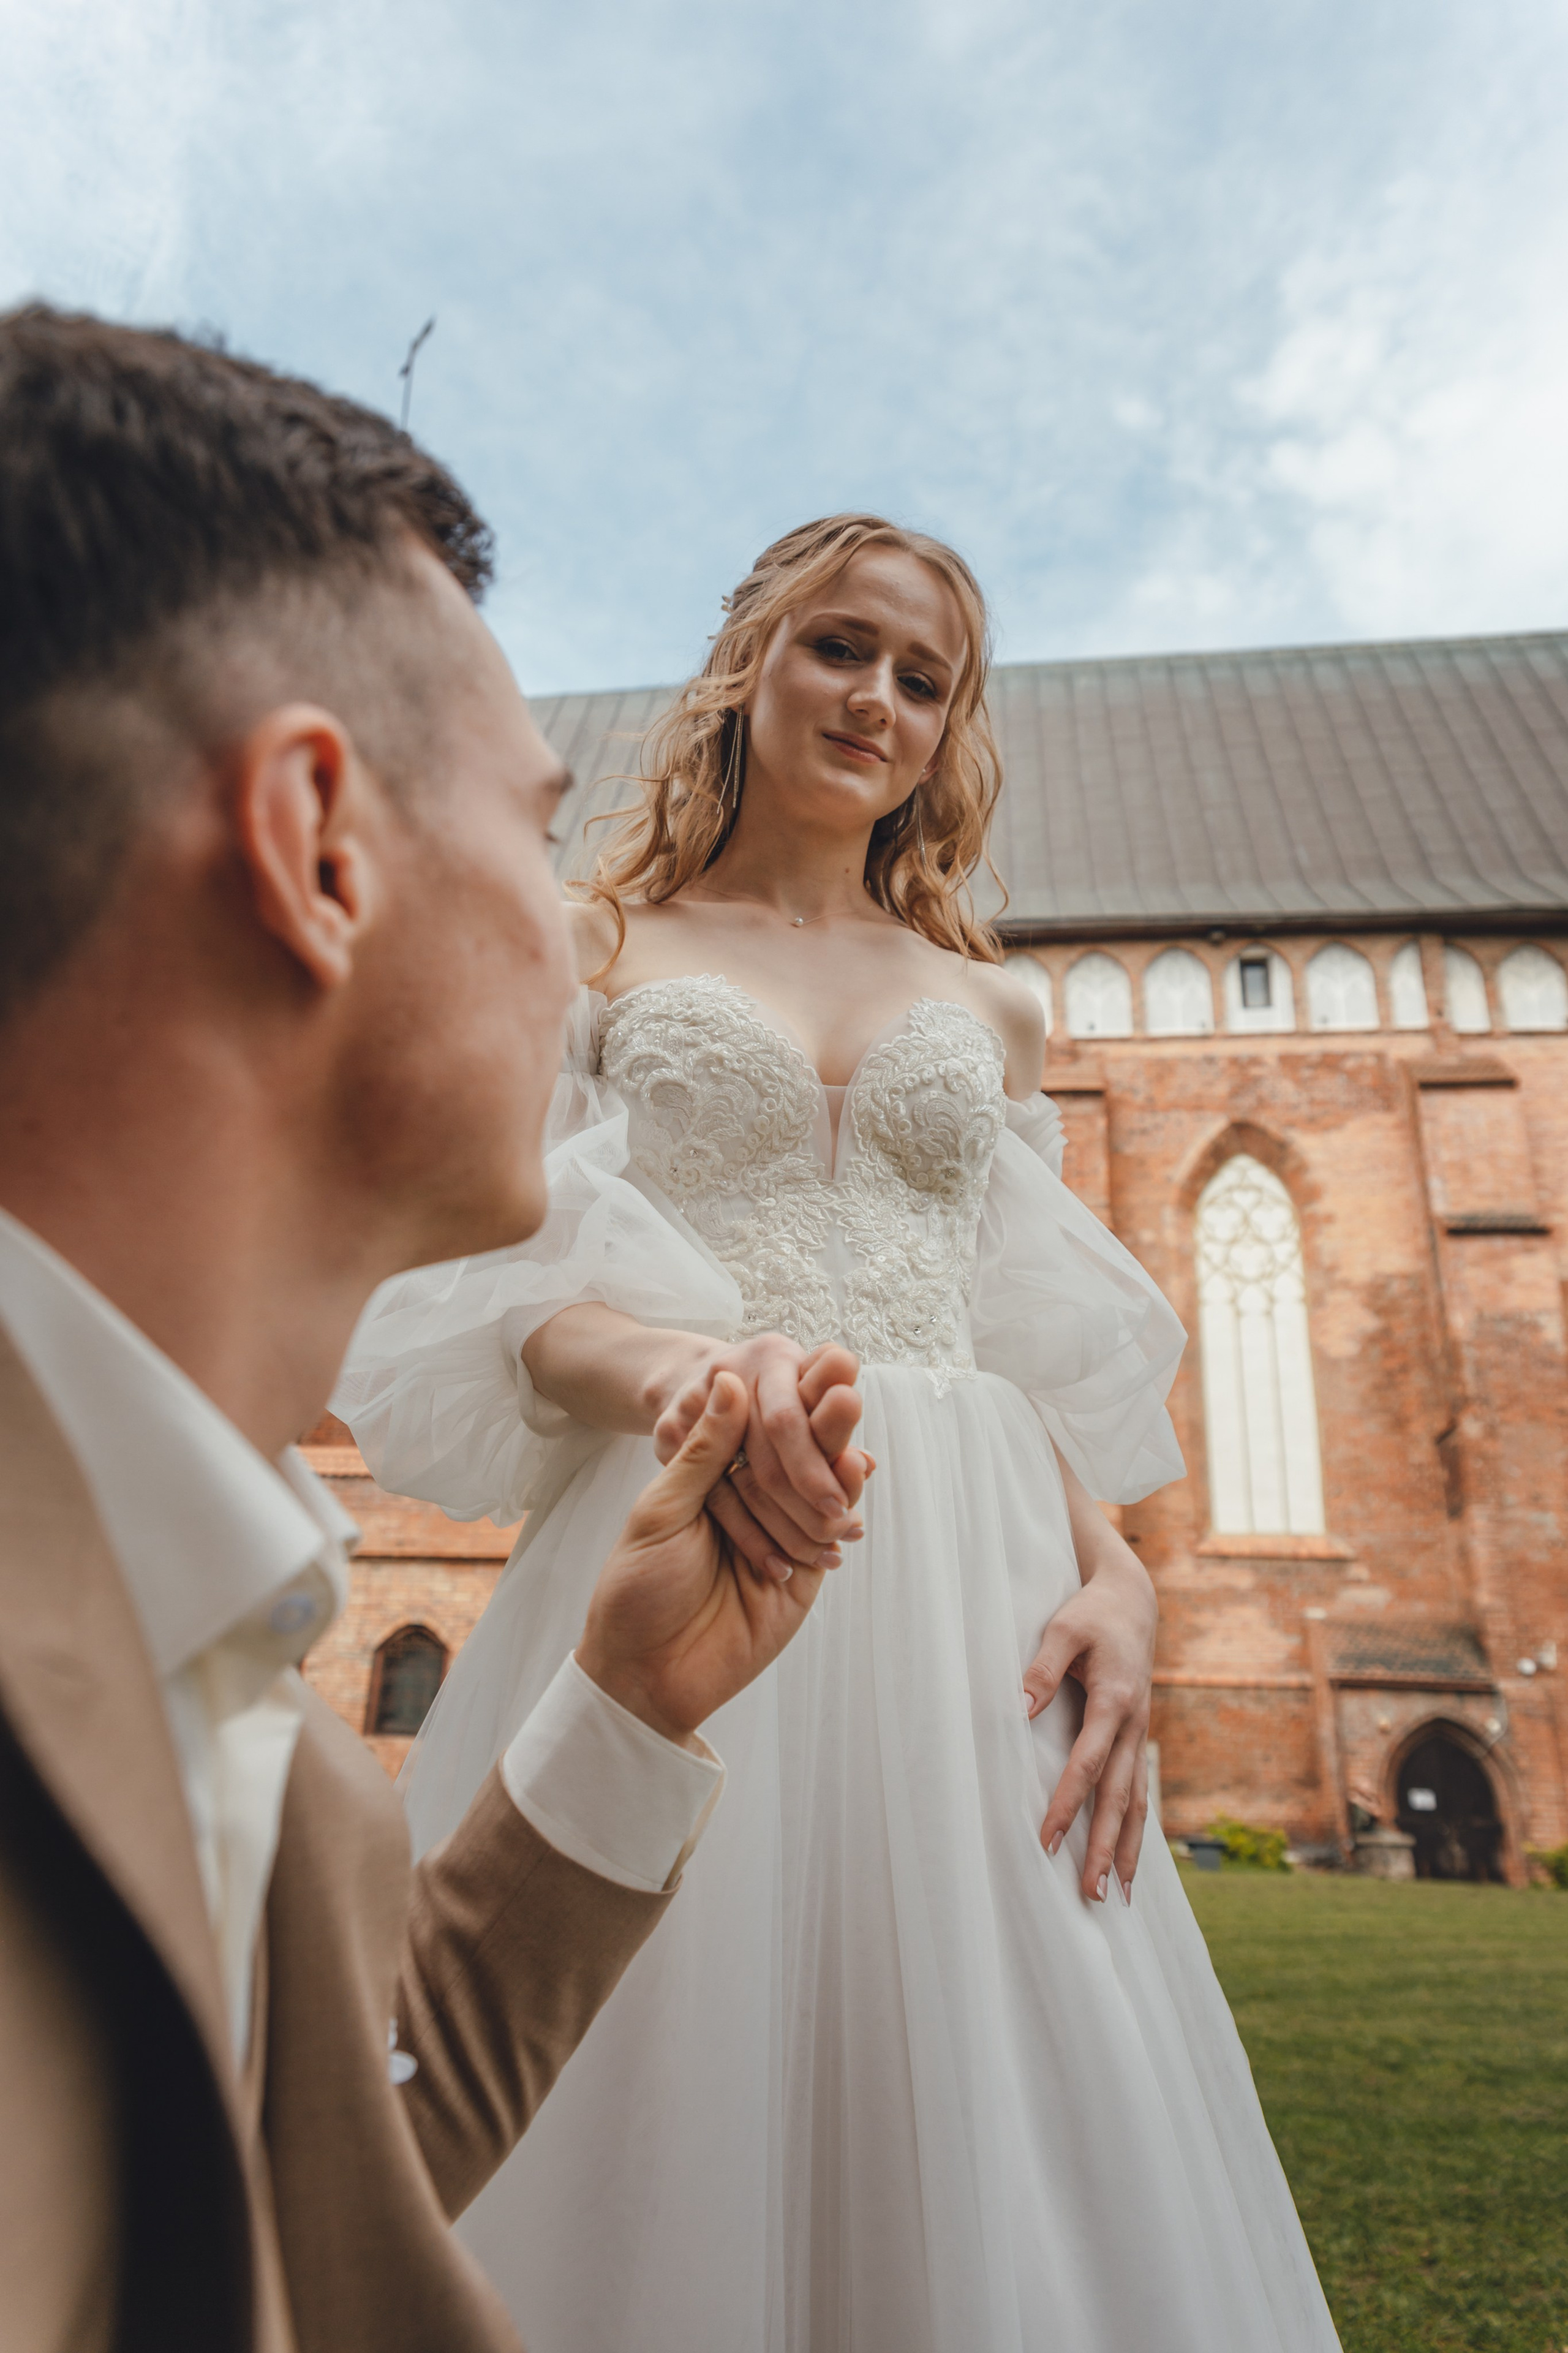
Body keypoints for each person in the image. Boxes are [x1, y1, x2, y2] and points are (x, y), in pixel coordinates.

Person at [337, 515, 1342, 2351]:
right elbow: (504, 1285)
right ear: (752, 663)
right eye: (841, 646)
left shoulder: (993, 1003)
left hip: (977, 1575)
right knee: (643, 2020)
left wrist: (1118, 1574)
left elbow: (1012, 1334)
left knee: (1007, 2055)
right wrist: (674, 1374)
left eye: (924, 678)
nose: (878, 696)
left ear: (949, 730)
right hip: (691, 1510)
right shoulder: (593, 946)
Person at [0, 307, 865, 2353]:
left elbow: (306, 2166)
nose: (583, 942)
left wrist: (629, 1704)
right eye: (538, 832)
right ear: (322, 849)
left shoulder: (243, 1700)